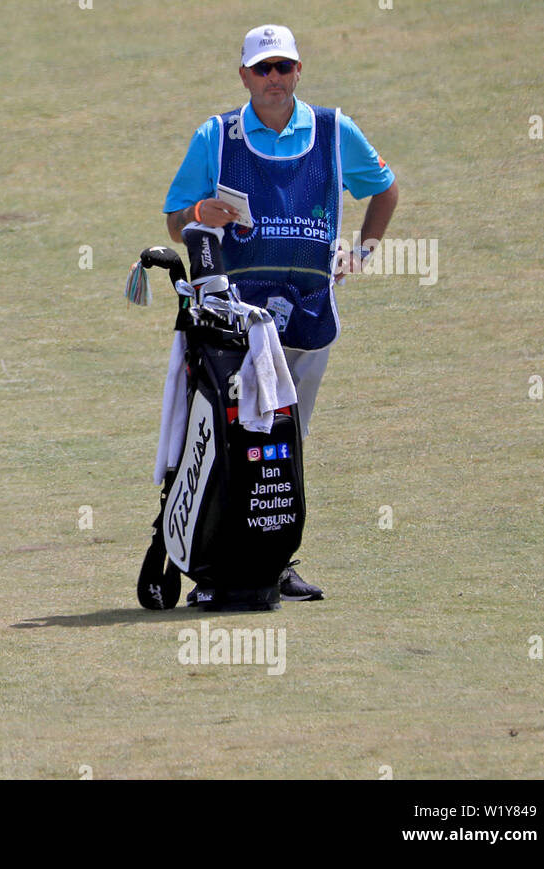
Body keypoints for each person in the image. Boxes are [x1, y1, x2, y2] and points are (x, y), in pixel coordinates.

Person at [162, 24, 398, 602]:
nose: (274, 78)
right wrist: (201, 209)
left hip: (310, 319)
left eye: (283, 67)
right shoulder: (216, 137)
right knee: (231, 440)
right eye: (262, 68)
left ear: (299, 71)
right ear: (243, 75)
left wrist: (361, 251)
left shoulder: (333, 130)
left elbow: (385, 190)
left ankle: (275, 559)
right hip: (236, 326)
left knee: (284, 446)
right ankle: (220, 562)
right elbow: (175, 219)